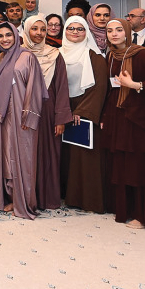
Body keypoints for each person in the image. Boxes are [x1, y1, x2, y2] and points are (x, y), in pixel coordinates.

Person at [101, 18, 145, 229]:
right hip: (118, 116)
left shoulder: (142, 54)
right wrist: (104, 116)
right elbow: (108, 88)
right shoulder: (111, 55)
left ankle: (144, 215)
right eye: (110, 30)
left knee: (140, 167)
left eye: (119, 30)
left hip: (139, 118)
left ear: (128, 32)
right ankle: (126, 209)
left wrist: (135, 85)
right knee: (122, 165)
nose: (114, 34)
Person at [0, 22, 45, 217]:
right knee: (6, 155)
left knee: (23, 157)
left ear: (16, 35)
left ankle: (24, 200)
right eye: (1, 36)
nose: (4, 39)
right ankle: (10, 196)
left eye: (8, 35)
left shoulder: (27, 57)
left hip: (22, 115)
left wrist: (29, 115)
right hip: (3, 116)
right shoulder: (0, 58)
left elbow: (35, 88)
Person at [60, 16, 110, 212]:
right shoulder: (57, 54)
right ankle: (68, 195)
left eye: (80, 29)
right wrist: (62, 109)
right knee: (66, 157)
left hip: (84, 110)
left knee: (84, 157)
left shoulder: (95, 57)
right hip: (63, 109)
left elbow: (100, 87)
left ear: (86, 32)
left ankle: (87, 199)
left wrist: (82, 111)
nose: (75, 32)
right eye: (71, 28)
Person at [22, 15, 71, 209]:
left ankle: (47, 198)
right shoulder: (19, 54)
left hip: (48, 110)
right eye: (34, 29)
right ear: (27, 30)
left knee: (49, 154)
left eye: (43, 29)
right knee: (26, 153)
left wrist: (60, 118)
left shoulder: (55, 54)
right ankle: (27, 198)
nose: (39, 33)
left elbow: (61, 87)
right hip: (24, 109)